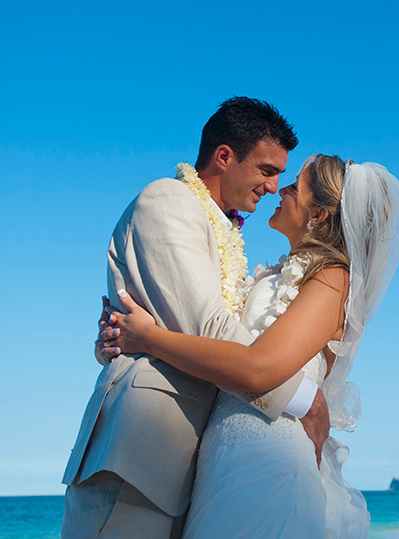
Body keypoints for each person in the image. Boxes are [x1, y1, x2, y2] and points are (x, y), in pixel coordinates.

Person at [61, 97, 330, 539]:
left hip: (190, 464)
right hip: (138, 455)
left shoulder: (223, 226)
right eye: (266, 169)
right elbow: (210, 330)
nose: (274, 185)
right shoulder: (168, 201)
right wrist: (305, 399)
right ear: (224, 156)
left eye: (282, 174)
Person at [99, 154, 399, 538]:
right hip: (219, 458)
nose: (280, 189)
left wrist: (148, 338)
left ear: (320, 215)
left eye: (295, 187)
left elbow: (257, 367)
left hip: (269, 459)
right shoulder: (277, 271)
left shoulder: (332, 278)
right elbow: (210, 336)